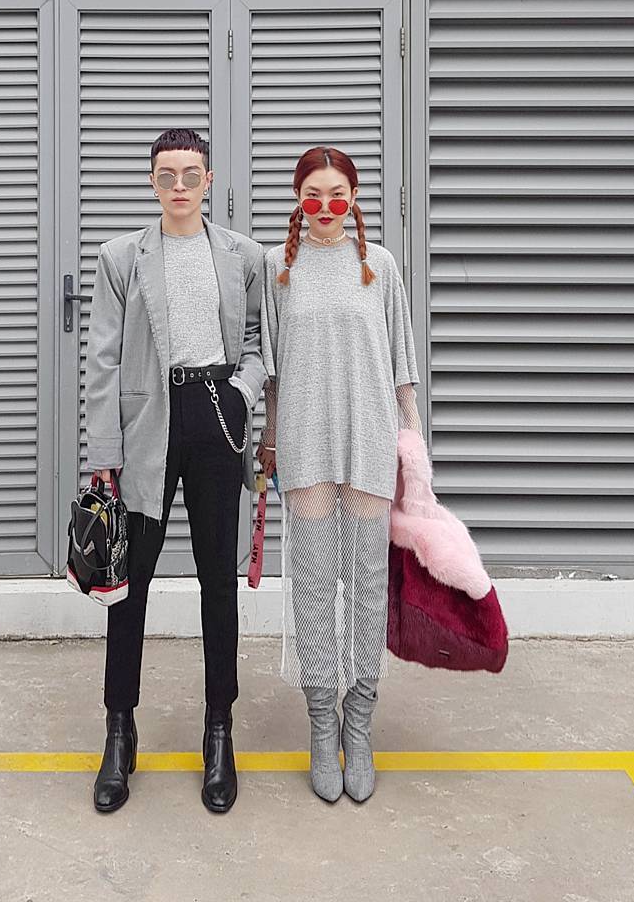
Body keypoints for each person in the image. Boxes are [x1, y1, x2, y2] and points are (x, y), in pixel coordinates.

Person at [84, 127, 266, 814]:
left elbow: (258, 340)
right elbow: (103, 359)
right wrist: (105, 453)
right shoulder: (120, 257)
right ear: (153, 182)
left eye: (191, 175)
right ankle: (119, 730)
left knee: (218, 583)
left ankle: (219, 732)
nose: (180, 187)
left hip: (217, 415)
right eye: (167, 175)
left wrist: (242, 392)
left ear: (209, 180)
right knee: (127, 586)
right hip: (148, 425)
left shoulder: (244, 255)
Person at [258, 146, 421, 804]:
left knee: (367, 589)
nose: (325, 207)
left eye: (337, 195)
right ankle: (322, 724)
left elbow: (402, 367)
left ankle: (360, 722)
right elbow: (271, 373)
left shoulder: (379, 266)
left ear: (353, 200)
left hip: (370, 441)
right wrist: (267, 443)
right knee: (314, 589)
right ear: (298, 201)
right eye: (313, 195)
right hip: (306, 444)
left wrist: (414, 447)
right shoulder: (277, 268)